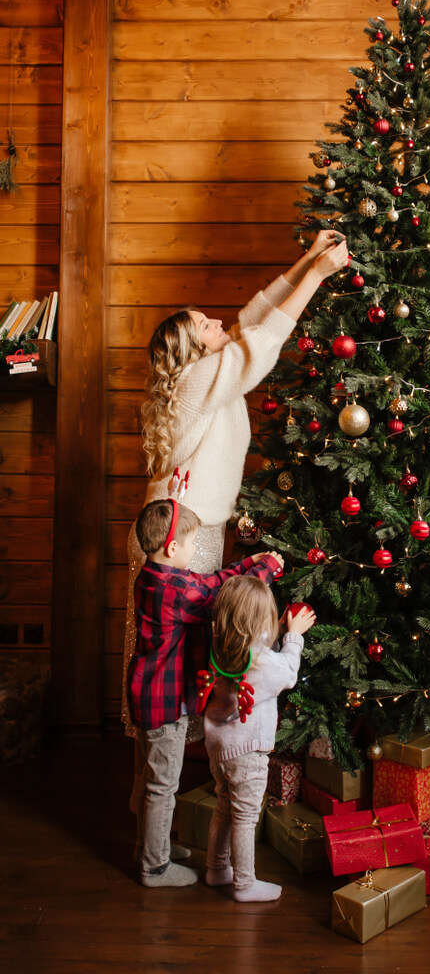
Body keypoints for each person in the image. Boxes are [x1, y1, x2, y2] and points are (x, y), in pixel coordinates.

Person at [121, 229, 348, 741]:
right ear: (191, 347)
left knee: (167, 664)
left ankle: (154, 793)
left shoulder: (203, 375)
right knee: (166, 670)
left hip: (187, 528)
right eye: (206, 323)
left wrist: (306, 259)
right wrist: (315, 275)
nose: (219, 321)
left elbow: (253, 319)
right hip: (179, 536)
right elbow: (261, 343)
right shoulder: (200, 377)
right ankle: (159, 793)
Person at [127, 496, 284, 887]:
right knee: (162, 785)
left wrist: (248, 563)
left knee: (154, 779)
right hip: (162, 703)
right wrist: (265, 569)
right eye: (192, 544)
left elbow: (210, 581)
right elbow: (222, 597)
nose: (196, 550)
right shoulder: (175, 591)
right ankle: (154, 867)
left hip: (148, 695)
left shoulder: (155, 576)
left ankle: (151, 845)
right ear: (172, 547)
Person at [201, 576, 315, 901]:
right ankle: (245, 884)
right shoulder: (263, 662)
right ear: (257, 623)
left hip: (220, 744)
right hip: (247, 749)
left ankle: (216, 868)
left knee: (225, 805)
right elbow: (288, 672)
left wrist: (276, 629)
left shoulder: (224, 644)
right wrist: (293, 636)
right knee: (246, 815)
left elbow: (259, 642)